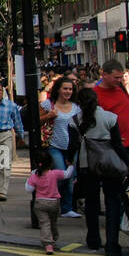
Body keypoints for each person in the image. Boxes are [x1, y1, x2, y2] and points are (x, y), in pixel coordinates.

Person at [74, 85, 129, 256]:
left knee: (92, 204)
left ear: (79, 103)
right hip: (110, 165)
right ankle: (112, 245)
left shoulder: (75, 120)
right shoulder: (110, 118)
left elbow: (74, 146)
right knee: (113, 203)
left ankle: (93, 239)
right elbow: (118, 145)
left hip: (87, 166)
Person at [39, 75, 83, 218]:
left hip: (71, 147)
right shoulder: (48, 104)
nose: (68, 91)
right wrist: (49, 116)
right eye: (65, 88)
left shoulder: (76, 107)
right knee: (61, 174)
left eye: (70, 89)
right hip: (54, 146)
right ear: (58, 89)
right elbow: (36, 122)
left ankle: (66, 208)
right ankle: (51, 201)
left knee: (70, 177)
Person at [94, 59, 129, 181]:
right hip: (112, 148)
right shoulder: (95, 94)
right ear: (104, 75)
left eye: (120, 77)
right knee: (117, 184)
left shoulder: (121, 89)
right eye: (116, 77)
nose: (119, 80)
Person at [25, 155, 76, 254]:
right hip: (54, 203)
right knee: (53, 222)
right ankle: (54, 238)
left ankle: (48, 244)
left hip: (40, 203)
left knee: (44, 223)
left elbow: (28, 189)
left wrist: (30, 176)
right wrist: (70, 166)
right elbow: (67, 174)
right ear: (51, 164)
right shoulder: (54, 174)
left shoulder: (35, 175)